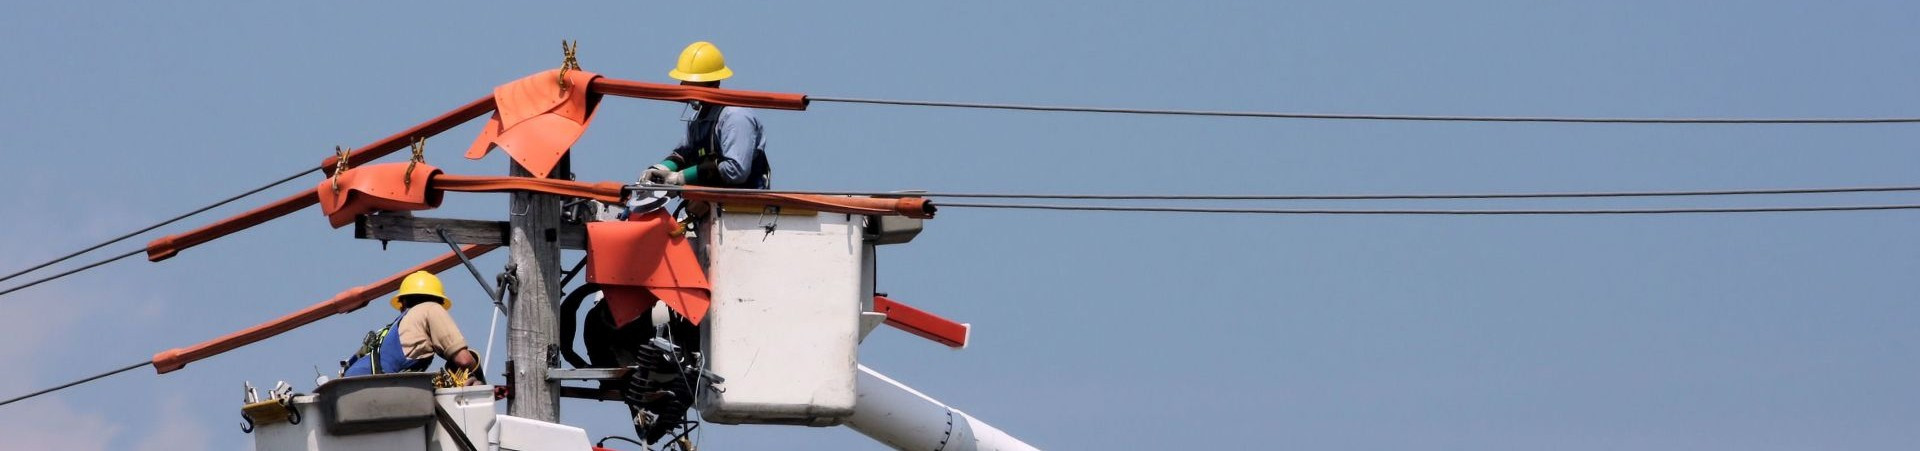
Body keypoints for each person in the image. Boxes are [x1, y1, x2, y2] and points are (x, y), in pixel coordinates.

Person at [639, 41, 771, 190]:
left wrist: (680, 178)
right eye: (683, 80)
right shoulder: (698, 120)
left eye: (690, 81)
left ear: (712, 83)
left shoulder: (735, 117)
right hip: (711, 205)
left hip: (743, 208)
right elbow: (683, 154)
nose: (682, 86)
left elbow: (736, 170)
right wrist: (660, 170)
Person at [342, 271, 479, 377]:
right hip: (375, 388)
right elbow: (464, 360)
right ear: (440, 301)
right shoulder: (431, 308)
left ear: (402, 302)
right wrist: (481, 382)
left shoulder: (389, 331)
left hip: (348, 388)